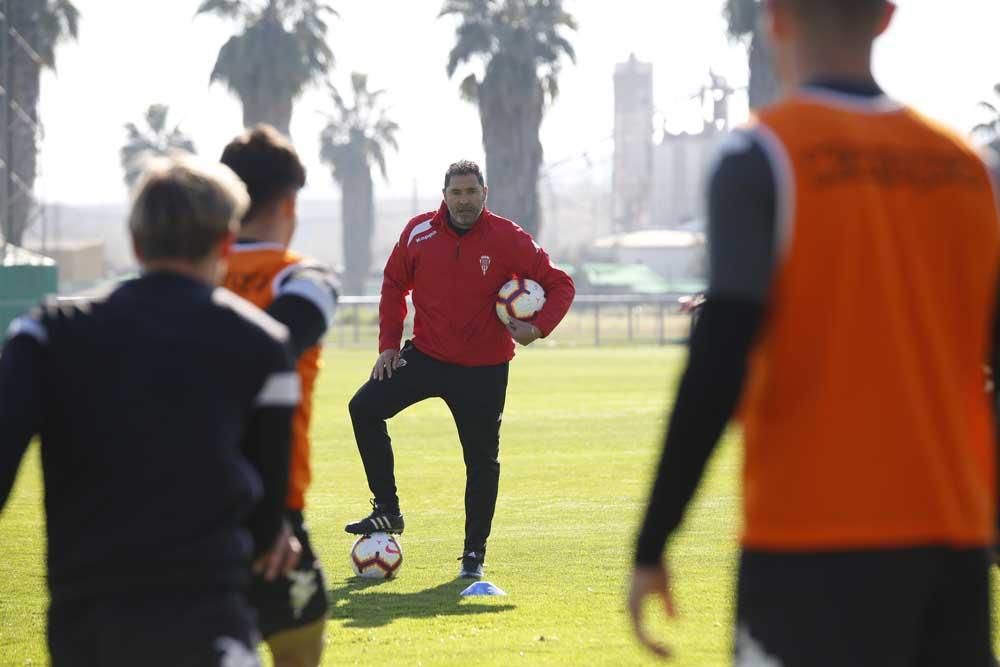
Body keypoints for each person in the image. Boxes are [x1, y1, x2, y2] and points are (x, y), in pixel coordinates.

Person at [628, 1, 1000, 665]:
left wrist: (653, 540)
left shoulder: (761, 153)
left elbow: (719, 362)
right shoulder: (963, 167)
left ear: (773, 18)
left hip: (810, 549)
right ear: (887, 16)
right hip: (954, 550)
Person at [0, 156, 302, 667]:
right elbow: (270, 516)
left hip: (87, 629)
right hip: (210, 625)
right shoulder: (265, 345)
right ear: (227, 243)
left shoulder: (47, 334)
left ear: (136, 243)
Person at [344, 160, 575, 579]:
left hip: (483, 369)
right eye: (456, 193)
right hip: (426, 356)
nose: (464, 200)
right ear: (444, 195)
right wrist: (387, 347)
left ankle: (474, 556)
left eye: (471, 192)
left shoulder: (509, 238)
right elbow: (394, 285)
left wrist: (538, 327)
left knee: (482, 461)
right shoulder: (419, 232)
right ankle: (388, 510)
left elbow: (561, 283)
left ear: (484, 193)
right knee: (363, 407)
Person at [220, 125, 339, 667]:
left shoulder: (185, 278)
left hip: (177, 509)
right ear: (290, 202)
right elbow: (279, 342)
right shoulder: (301, 277)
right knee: (299, 648)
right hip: (273, 514)